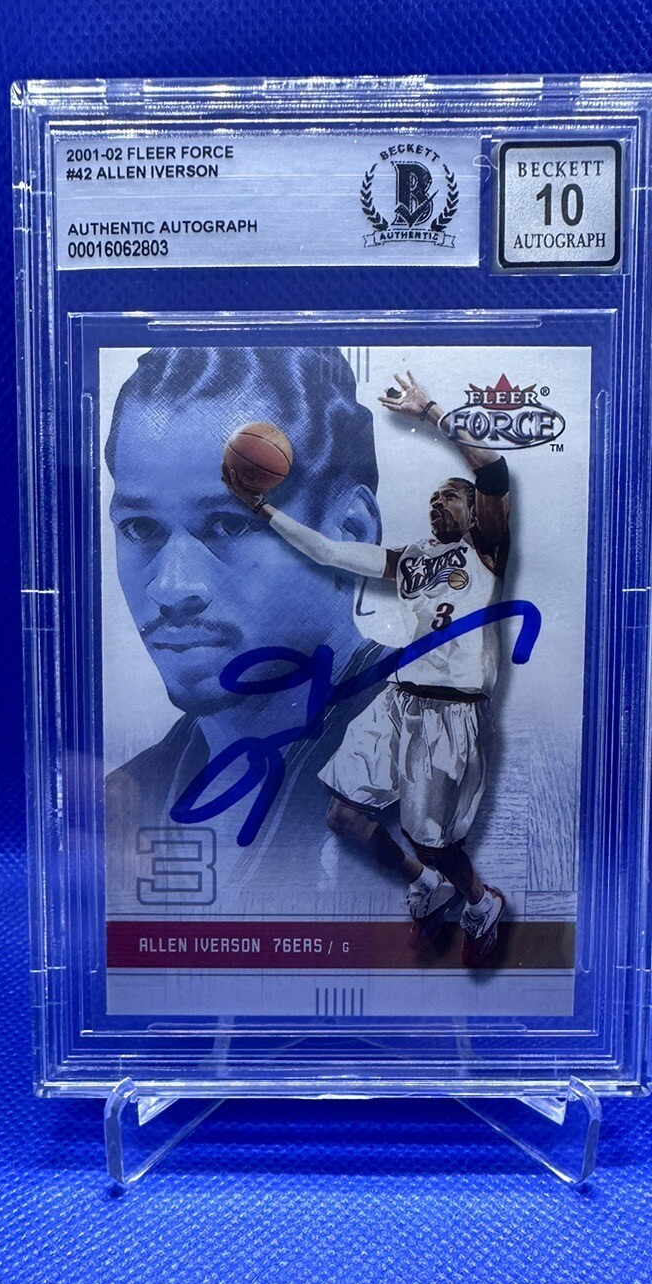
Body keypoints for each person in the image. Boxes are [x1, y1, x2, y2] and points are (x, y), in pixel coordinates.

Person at [223, 369, 512, 966]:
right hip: (400, 700)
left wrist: (430, 411)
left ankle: (480, 902)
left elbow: (493, 470)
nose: (437, 502)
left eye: (450, 496)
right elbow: (329, 551)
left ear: (474, 511)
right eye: (433, 498)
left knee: (434, 841)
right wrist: (263, 509)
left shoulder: (486, 548)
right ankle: (425, 885)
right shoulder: (409, 559)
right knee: (344, 816)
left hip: (453, 711)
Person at [104, 345, 385, 911]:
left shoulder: (436, 754)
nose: (172, 588)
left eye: (230, 525)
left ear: (351, 534)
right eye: (140, 529)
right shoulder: (120, 802)